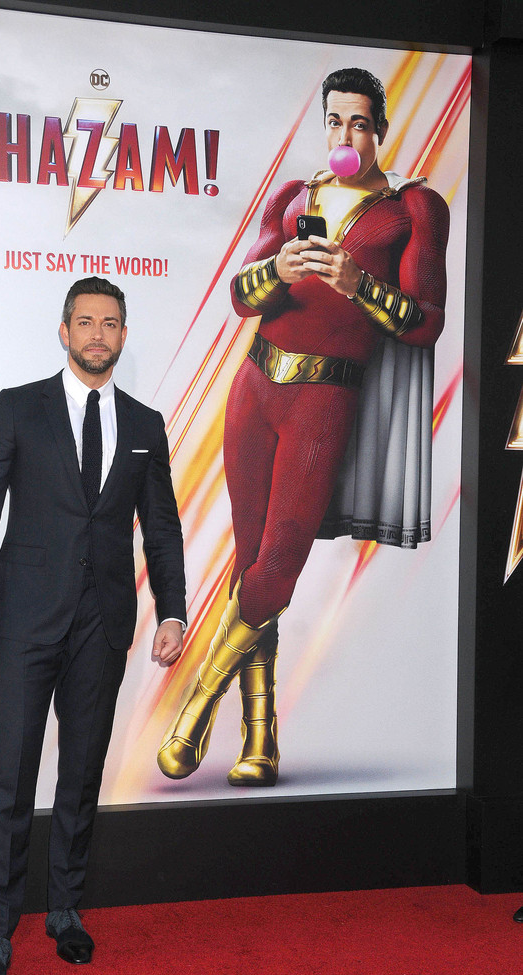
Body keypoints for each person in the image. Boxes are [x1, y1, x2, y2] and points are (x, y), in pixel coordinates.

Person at [158, 67, 448, 788]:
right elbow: (238, 295)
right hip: (255, 387)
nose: (345, 135)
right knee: (251, 558)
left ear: (380, 127)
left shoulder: (413, 207)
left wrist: (359, 285)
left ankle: (196, 705)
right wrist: (281, 270)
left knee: (277, 564)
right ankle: (262, 742)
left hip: (326, 396)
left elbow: (425, 325)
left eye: (358, 122)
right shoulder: (295, 198)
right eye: (334, 121)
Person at [0, 276, 186, 975]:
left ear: (122, 334)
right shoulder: (19, 408)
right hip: (22, 623)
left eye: (110, 323)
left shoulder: (145, 424)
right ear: (63, 331)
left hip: (103, 623)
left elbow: (164, 528)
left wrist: (173, 610)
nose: (96, 334)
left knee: (82, 776)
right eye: (84, 321)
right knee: (12, 777)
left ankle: (65, 911)